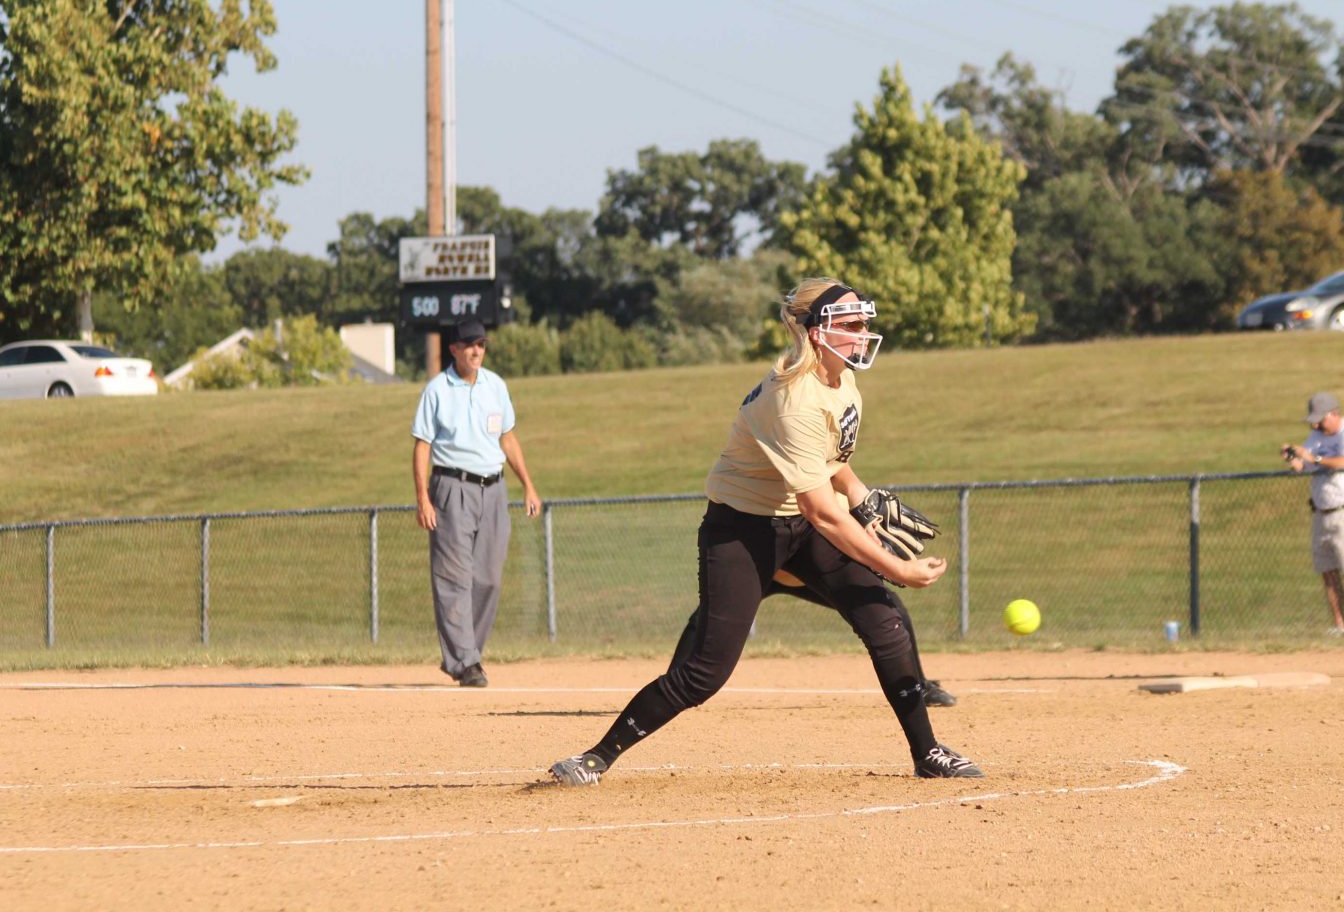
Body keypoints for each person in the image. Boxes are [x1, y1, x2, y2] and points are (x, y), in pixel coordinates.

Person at [549, 278, 981, 785]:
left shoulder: (841, 382)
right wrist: (897, 567)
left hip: (799, 523)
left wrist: (862, 497)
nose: (864, 333)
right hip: (743, 531)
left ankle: (927, 753)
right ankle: (594, 758)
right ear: (818, 334)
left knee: (886, 622)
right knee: (703, 675)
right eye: (851, 324)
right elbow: (822, 511)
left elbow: (830, 464)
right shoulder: (792, 397)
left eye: (865, 323)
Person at [411, 318, 541, 688]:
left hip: (494, 490)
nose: (476, 350)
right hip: (452, 487)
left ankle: (469, 656)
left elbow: (508, 439)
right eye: (469, 344)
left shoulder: (495, 386)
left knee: (488, 579)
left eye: (481, 343)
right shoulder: (437, 390)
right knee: (454, 579)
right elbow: (422, 447)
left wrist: (528, 486)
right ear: (453, 349)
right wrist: (423, 498)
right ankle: (465, 661)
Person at [670, 571, 960, 706]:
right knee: (705, 617)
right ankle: (672, 682)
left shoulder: (830, 482)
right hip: (767, 566)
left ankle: (918, 685)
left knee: (889, 605)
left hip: (811, 568)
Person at [1281, 392, 1344, 637]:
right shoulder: (1316, 436)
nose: (1315, 425)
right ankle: (1339, 626)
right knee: (1327, 570)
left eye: (1320, 420)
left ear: (1334, 413)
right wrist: (1294, 458)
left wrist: (1314, 457)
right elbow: (1305, 464)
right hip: (1322, 510)